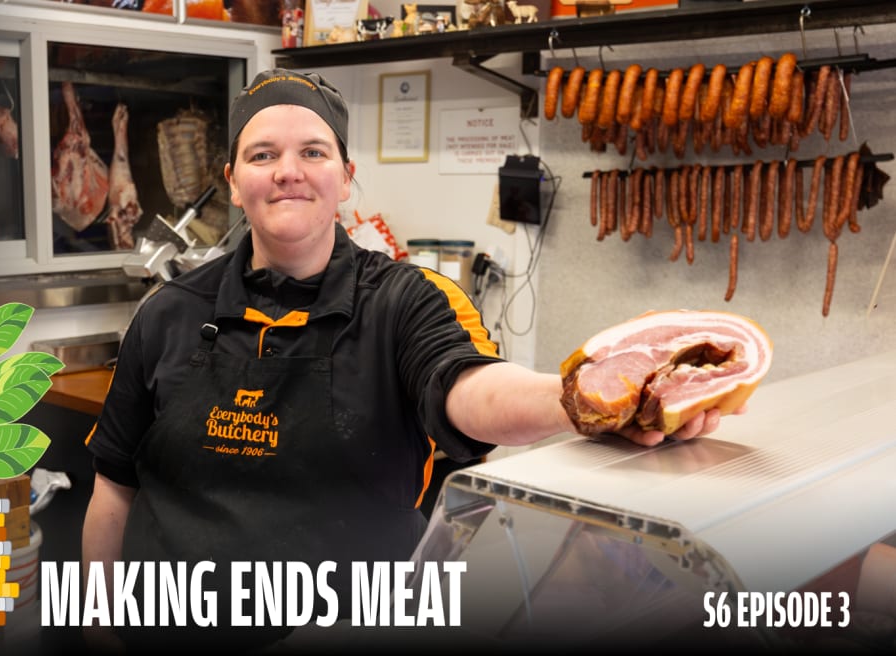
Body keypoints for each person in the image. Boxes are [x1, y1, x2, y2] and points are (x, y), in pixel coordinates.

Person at [81, 68, 728, 652]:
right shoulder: (167, 313)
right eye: (262, 154)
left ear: (345, 175)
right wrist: (101, 625)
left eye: (313, 151)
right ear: (233, 181)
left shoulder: (406, 300)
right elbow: (114, 486)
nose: (288, 170)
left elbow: (472, 387)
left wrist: (584, 398)